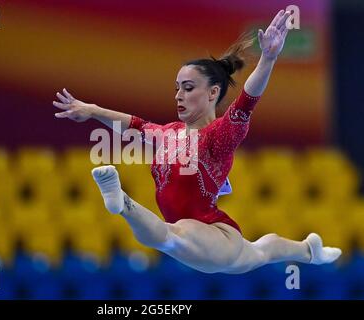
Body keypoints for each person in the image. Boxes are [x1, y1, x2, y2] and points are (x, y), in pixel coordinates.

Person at [53, 10, 341, 274]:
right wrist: (91, 110)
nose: (178, 95)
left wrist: (268, 59)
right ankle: (309, 250)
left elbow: (246, 102)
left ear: (213, 92)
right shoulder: (168, 132)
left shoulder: (219, 136)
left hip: (214, 235)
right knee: (260, 250)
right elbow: (134, 124)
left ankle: (122, 203)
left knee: (170, 236)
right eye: (177, 88)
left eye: (188, 88)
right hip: (196, 239)